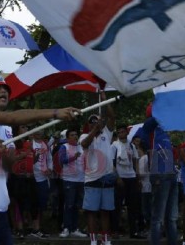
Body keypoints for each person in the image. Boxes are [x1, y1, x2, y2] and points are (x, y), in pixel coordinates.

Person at [0, 75, 79, 245]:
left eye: (5, 88)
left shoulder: (6, 128)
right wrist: (55, 113)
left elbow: (9, 166)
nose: (3, 90)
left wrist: (3, 154)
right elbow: (13, 117)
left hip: (0, 206)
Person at [135, 103, 178, 245]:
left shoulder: (164, 129)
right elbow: (140, 139)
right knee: (157, 218)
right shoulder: (149, 126)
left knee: (171, 218)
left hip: (171, 174)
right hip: (159, 173)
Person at [80, 92, 116, 245]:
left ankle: (106, 240)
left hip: (107, 177)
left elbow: (112, 117)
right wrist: (94, 130)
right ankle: (93, 241)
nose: (96, 123)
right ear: (89, 125)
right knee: (92, 212)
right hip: (92, 179)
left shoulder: (107, 133)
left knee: (105, 211)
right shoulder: (85, 136)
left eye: (97, 121)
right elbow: (84, 145)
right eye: (92, 122)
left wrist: (105, 100)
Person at [110, 124, 143, 239]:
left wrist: (137, 176)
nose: (121, 134)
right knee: (117, 205)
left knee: (133, 206)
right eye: (119, 132)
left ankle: (133, 231)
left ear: (127, 133)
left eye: (123, 132)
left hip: (131, 176)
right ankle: (114, 230)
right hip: (120, 176)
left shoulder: (131, 145)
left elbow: (135, 161)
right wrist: (117, 177)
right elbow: (112, 163)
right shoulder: (114, 145)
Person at [59, 127, 87, 238]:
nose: (74, 136)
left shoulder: (81, 147)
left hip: (81, 180)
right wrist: (73, 157)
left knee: (77, 205)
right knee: (69, 205)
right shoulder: (64, 147)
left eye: (76, 134)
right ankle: (66, 228)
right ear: (67, 137)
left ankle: (75, 228)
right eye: (72, 135)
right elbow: (62, 160)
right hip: (69, 180)